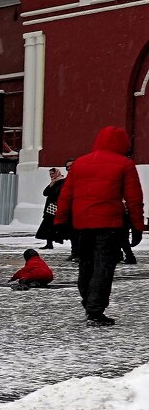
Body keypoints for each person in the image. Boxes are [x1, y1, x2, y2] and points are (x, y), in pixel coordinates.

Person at [53, 126, 144, 326]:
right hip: (110, 225)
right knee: (103, 267)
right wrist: (137, 226)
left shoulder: (80, 164)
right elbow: (134, 199)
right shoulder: (125, 164)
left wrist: (60, 221)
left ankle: (88, 302)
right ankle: (95, 310)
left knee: (86, 265)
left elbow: (66, 195)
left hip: (82, 225)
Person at [35, 167, 66, 249]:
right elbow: (45, 193)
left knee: (55, 225)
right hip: (50, 207)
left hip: (56, 207)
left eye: (53, 173)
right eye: (50, 174)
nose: (51, 175)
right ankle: (49, 243)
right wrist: (50, 185)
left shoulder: (62, 182)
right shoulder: (53, 182)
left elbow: (59, 193)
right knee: (48, 225)